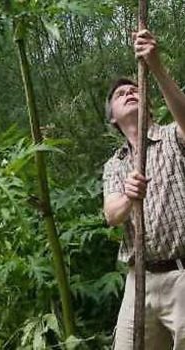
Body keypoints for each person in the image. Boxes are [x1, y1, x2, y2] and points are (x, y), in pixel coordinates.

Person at [103, 29, 185, 349]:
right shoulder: (115, 164)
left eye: (135, 88)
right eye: (120, 93)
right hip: (139, 282)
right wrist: (128, 196)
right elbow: (111, 214)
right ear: (112, 119)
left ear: (149, 104)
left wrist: (156, 66)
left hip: (182, 276)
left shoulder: (172, 138)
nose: (129, 91)